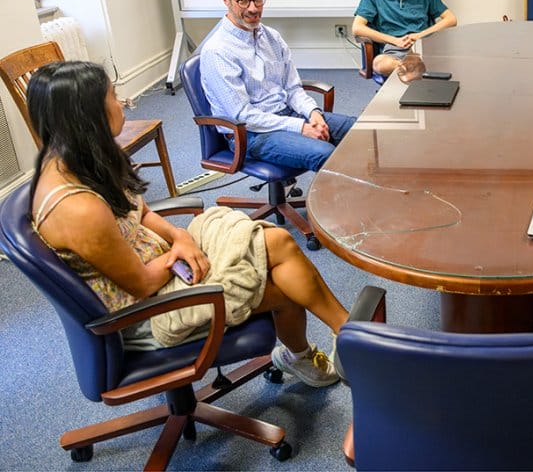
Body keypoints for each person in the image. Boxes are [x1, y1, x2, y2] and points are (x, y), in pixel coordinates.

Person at [27, 61, 350, 387]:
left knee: (278, 241)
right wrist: (177, 253)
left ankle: (346, 333)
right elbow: (142, 284)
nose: (122, 101)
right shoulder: (79, 209)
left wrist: (179, 237)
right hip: (152, 309)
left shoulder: (79, 159)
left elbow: (140, 213)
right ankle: (332, 345)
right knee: (284, 287)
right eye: (113, 94)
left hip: (167, 260)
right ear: (88, 114)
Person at [201, 0, 356, 172]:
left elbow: (293, 88)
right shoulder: (218, 51)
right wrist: (300, 127)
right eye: (243, 1)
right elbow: (243, 116)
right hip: (251, 134)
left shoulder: (272, 37)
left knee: (360, 131)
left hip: (288, 115)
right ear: (225, 0)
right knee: (324, 154)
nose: (253, 8)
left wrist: (313, 113)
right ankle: (339, 203)